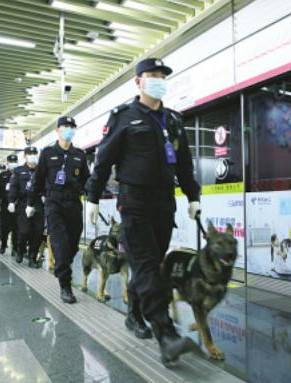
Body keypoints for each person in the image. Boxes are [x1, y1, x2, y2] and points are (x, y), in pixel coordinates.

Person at [85, 58, 201, 365]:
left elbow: (185, 164)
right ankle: (166, 336)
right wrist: (93, 197)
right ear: (138, 81)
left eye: (162, 76)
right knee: (148, 266)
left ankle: (134, 314)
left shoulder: (174, 120)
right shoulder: (124, 117)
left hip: (165, 202)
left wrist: (193, 196)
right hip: (134, 202)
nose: (158, 80)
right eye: (152, 75)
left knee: (148, 265)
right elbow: (103, 159)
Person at [28, 116, 90, 303]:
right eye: (65, 126)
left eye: (72, 127)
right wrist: (31, 203)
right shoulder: (47, 153)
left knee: (72, 244)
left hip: (74, 204)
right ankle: (65, 285)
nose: (68, 129)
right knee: (60, 244)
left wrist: (93, 195)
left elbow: (87, 179)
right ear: (57, 130)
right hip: (54, 203)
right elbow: (38, 180)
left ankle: (63, 265)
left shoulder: (80, 154)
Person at [8, 147, 44, 268]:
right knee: (24, 231)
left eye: (34, 153)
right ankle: (20, 249)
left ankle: (32, 258)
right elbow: (13, 186)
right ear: (25, 156)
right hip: (23, 204)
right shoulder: (18, 171)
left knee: (38, 232)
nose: (32, 155)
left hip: (38, 204)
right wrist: (11, 201)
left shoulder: (42, 170)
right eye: (30, 154)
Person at [0, 155, 19, 255]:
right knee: (4, 227)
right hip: (5, 205)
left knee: (17, 228)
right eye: (11, 161)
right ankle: (3, 244)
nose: (13, 163)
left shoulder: (20, 173)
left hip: (17, 205)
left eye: (15, 161)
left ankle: (15, 247)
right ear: (7, 163)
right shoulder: (2, 175)